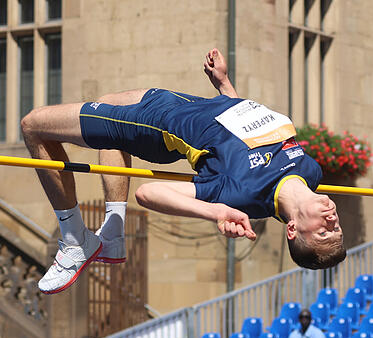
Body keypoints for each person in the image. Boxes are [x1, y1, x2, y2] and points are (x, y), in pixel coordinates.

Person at [21, 48, 346, 294]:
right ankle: (113, 235)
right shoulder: (311, 172)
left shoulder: (244, 195)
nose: (332, 221)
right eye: (337, 230)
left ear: (293, 229)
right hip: (186, 104)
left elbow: (148, 193)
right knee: (105, 102)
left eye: (323, 232)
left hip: (155, 126)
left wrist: (216, 211)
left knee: (33, 125)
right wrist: (224, 85)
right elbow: (240, 137)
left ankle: (74, 238)